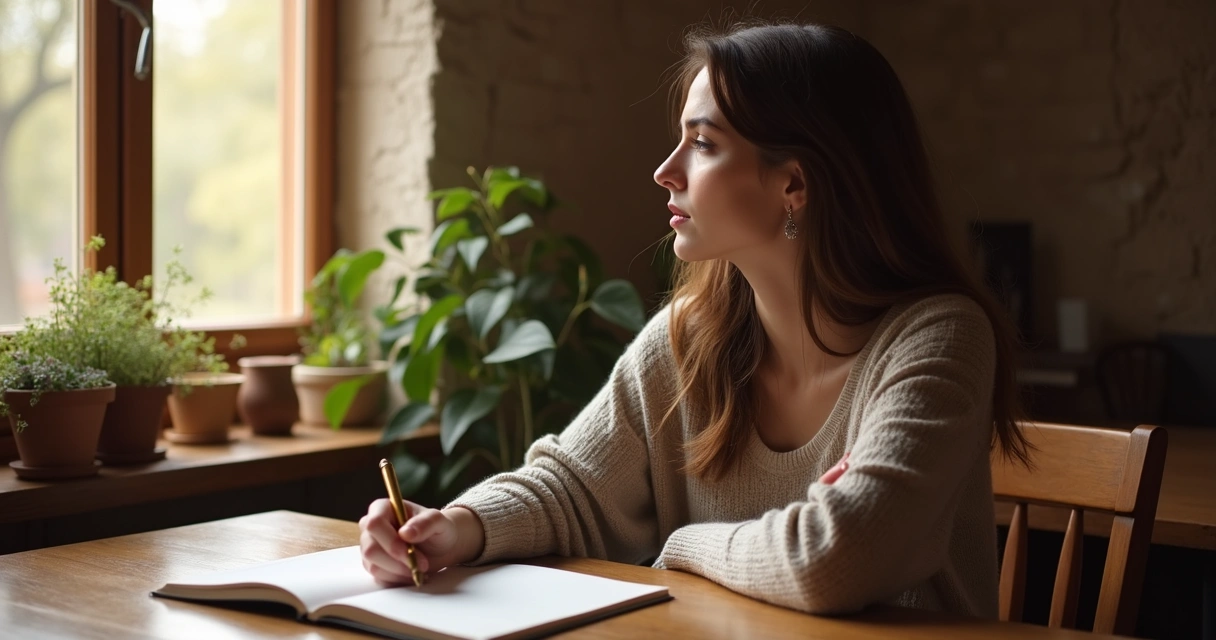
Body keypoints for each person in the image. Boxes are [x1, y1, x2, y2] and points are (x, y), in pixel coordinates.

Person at [359, 21, 1030, 618]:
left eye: (702, 144)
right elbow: (573, 488)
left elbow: (833, 559)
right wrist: (455, 526)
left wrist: (685, 545)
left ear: (794, 184)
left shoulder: (939, 337)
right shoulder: (689, 338)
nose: (663, 172)